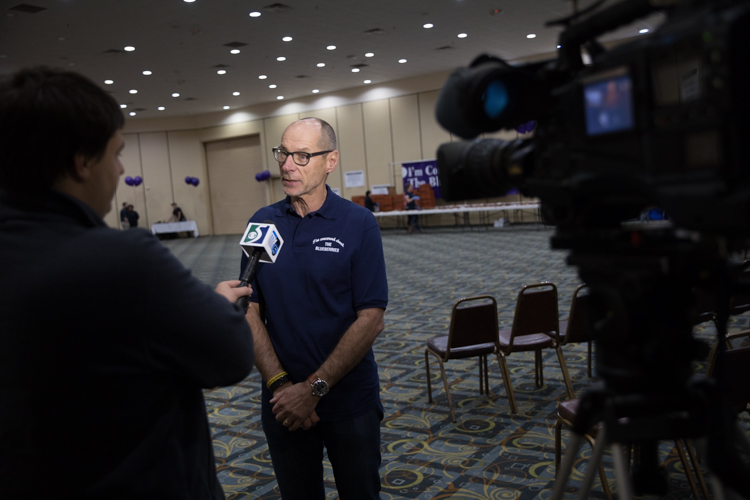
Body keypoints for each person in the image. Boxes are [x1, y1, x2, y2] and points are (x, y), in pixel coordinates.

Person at [0, 67, 254, 498]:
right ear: (82, 161)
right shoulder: (122, 261)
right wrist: (218, 307)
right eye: (116, 154)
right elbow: (229, 356)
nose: (120, 170)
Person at [241, 117, 388, 500]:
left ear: (330, 160)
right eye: (284, 153)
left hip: (349, 401)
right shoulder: (262, 224)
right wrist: (282, 387)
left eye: (303, 156)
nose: (288, 165)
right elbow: (249, 310)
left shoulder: (359, 224)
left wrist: (314, 389)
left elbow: (371, 319)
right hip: (283, 403)